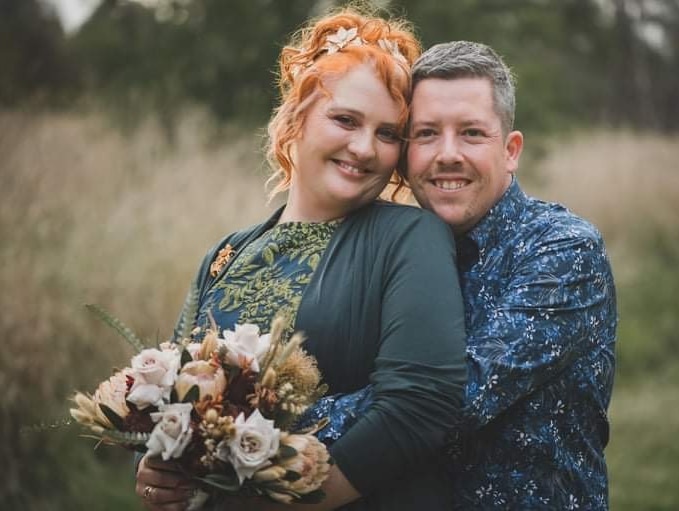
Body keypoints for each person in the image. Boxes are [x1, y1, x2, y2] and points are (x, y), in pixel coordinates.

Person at [134, 10, 466, 511]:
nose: (363, 148)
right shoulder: (225, 255)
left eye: (387, 133)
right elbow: (176, 399)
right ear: (297, 116)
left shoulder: (410, 237)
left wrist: (278, 503)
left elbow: (420, 406)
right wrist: (157, 464)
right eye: (346, 120)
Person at [304, 40, 618, 510]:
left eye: (471, 133)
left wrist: (255, 426)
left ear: (510, 150)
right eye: (427, 134)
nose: (447, 154)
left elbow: (442, 401)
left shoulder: (562, 249)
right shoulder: (389, 248)